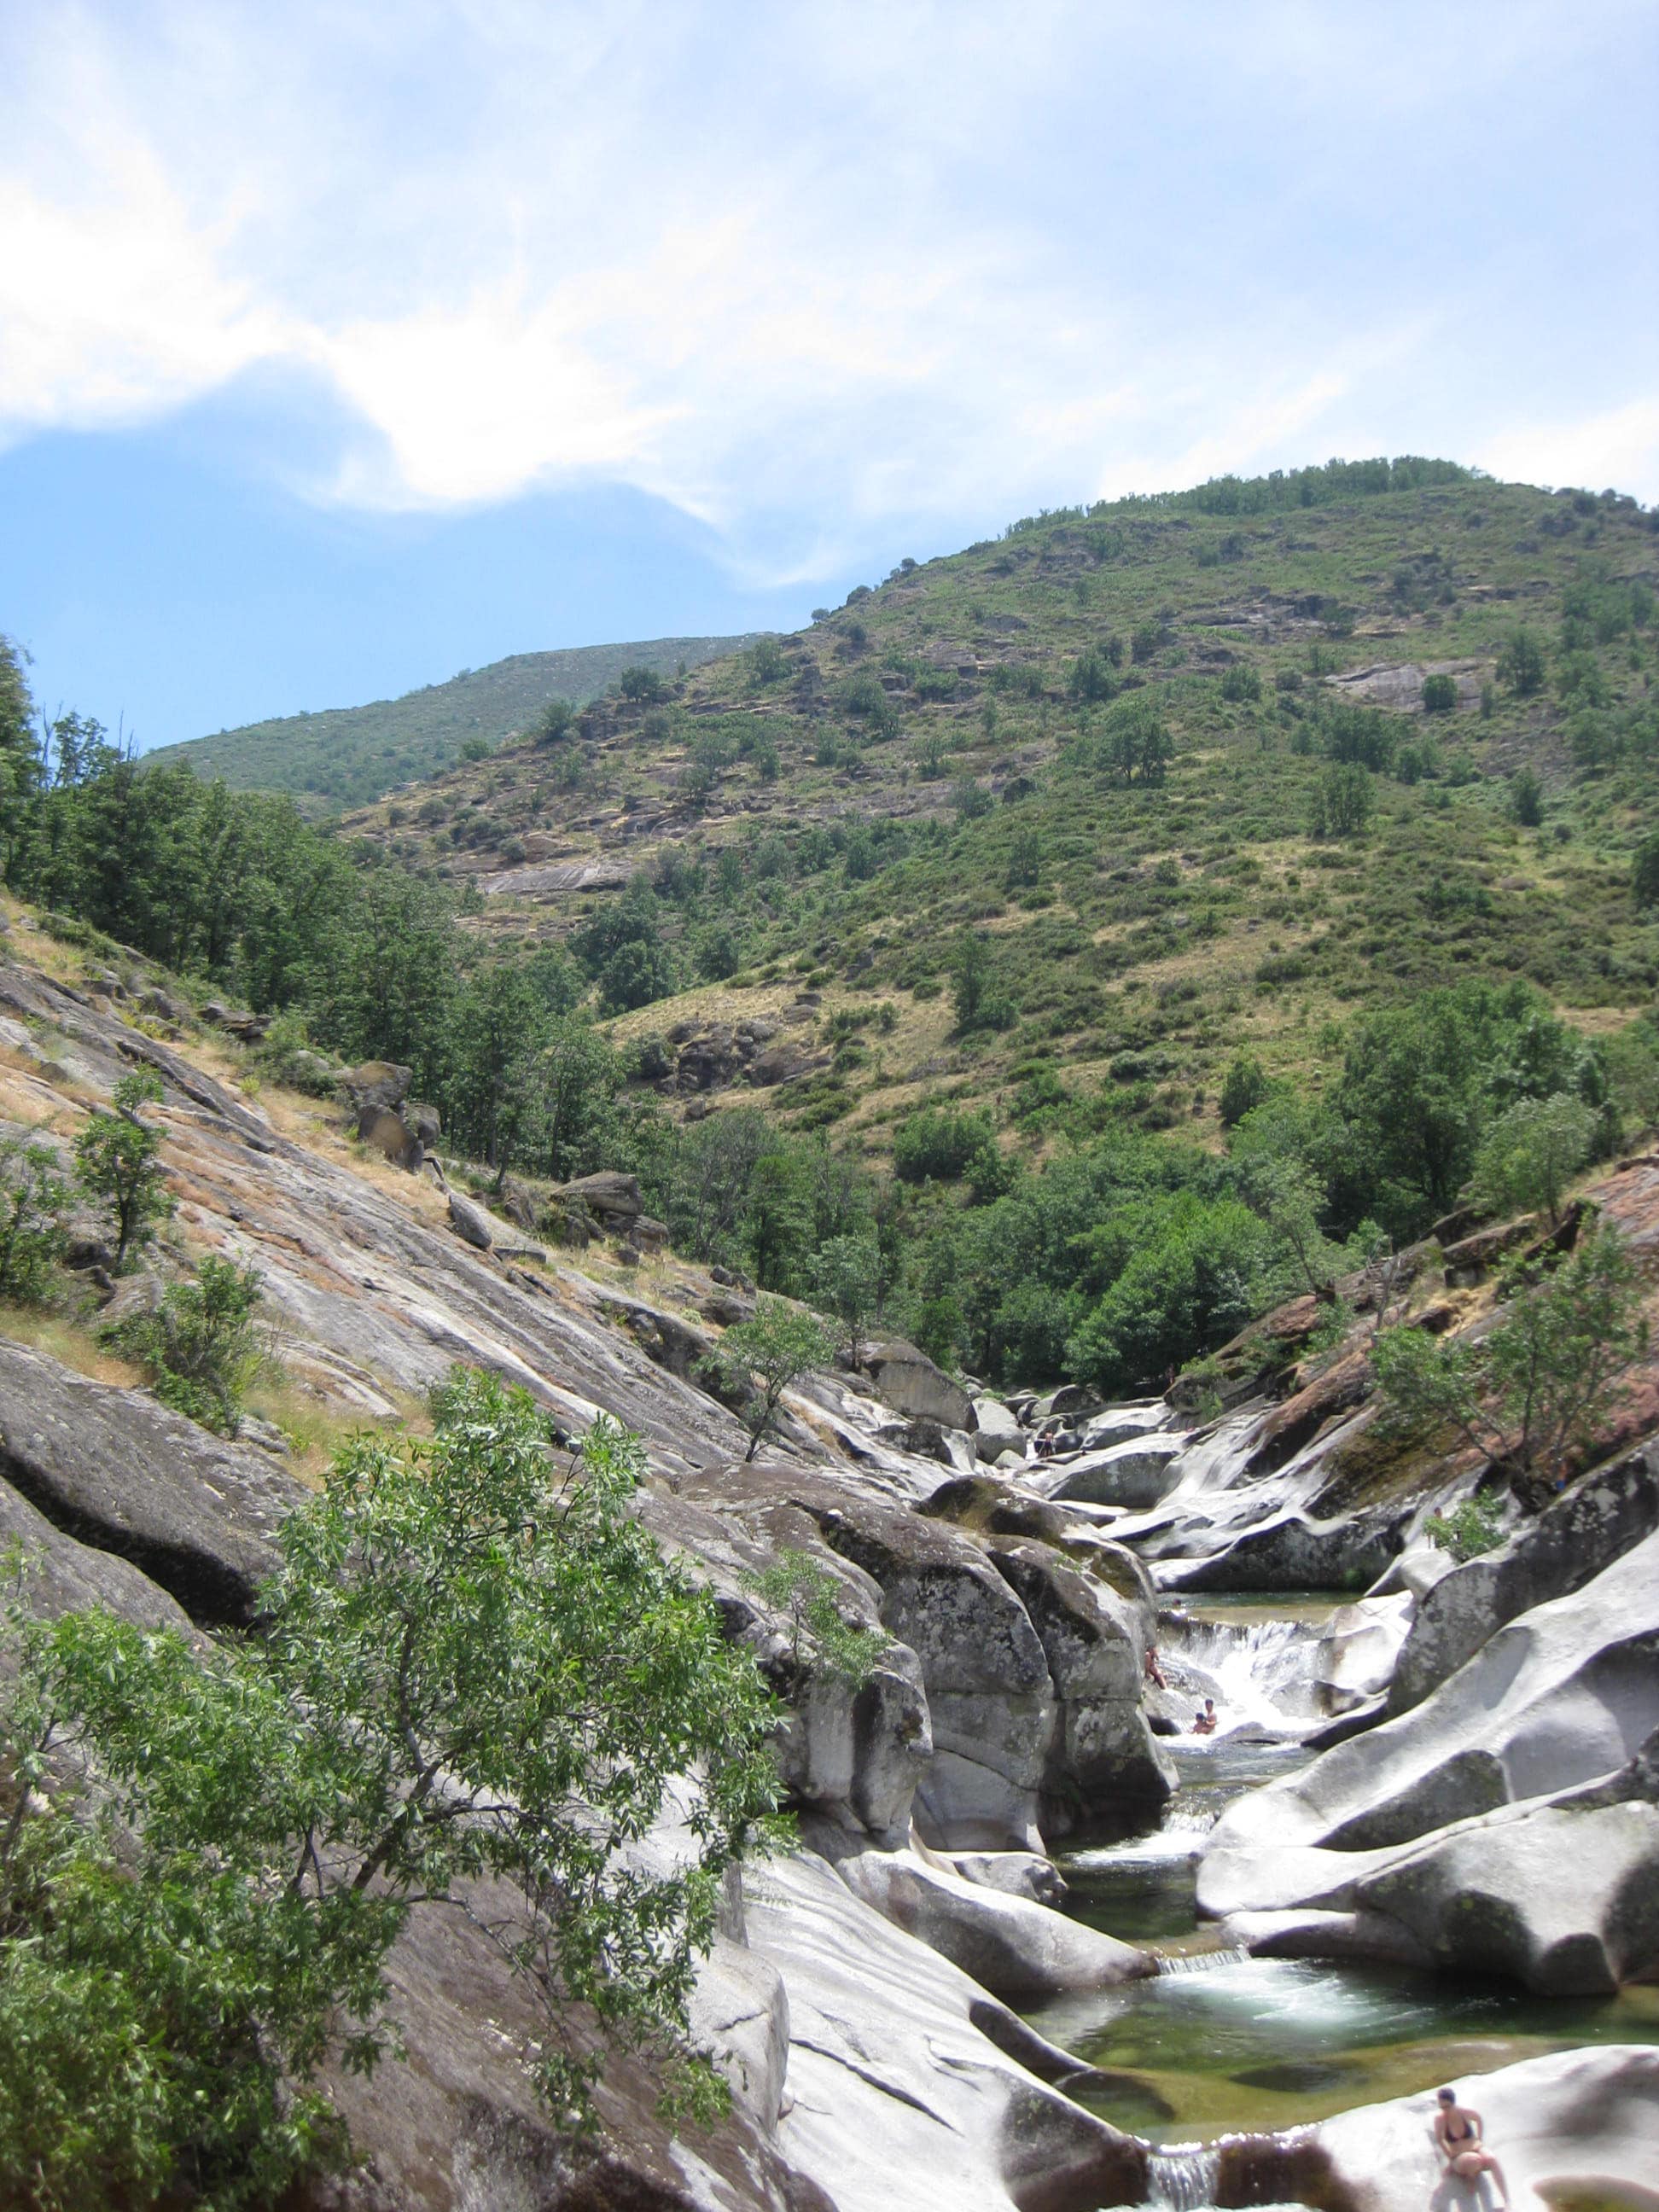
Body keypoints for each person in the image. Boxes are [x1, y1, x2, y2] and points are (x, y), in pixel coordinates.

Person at [1432, 2087, 1510, 2208]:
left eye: (1447, 2107)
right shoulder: (1440, 2120)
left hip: (1475, 2147)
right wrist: (1450, 2157)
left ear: (1453, 2103)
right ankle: (1471, 2179)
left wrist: (1479, 2139)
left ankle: (1506, 2200)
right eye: (1442, 2107)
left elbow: (1478, 2118)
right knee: (1472, 2161)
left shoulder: (1464, 2113)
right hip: (1459, 2155)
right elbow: (1440, 2139)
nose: (1445, 2110)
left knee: (1492, 2159)